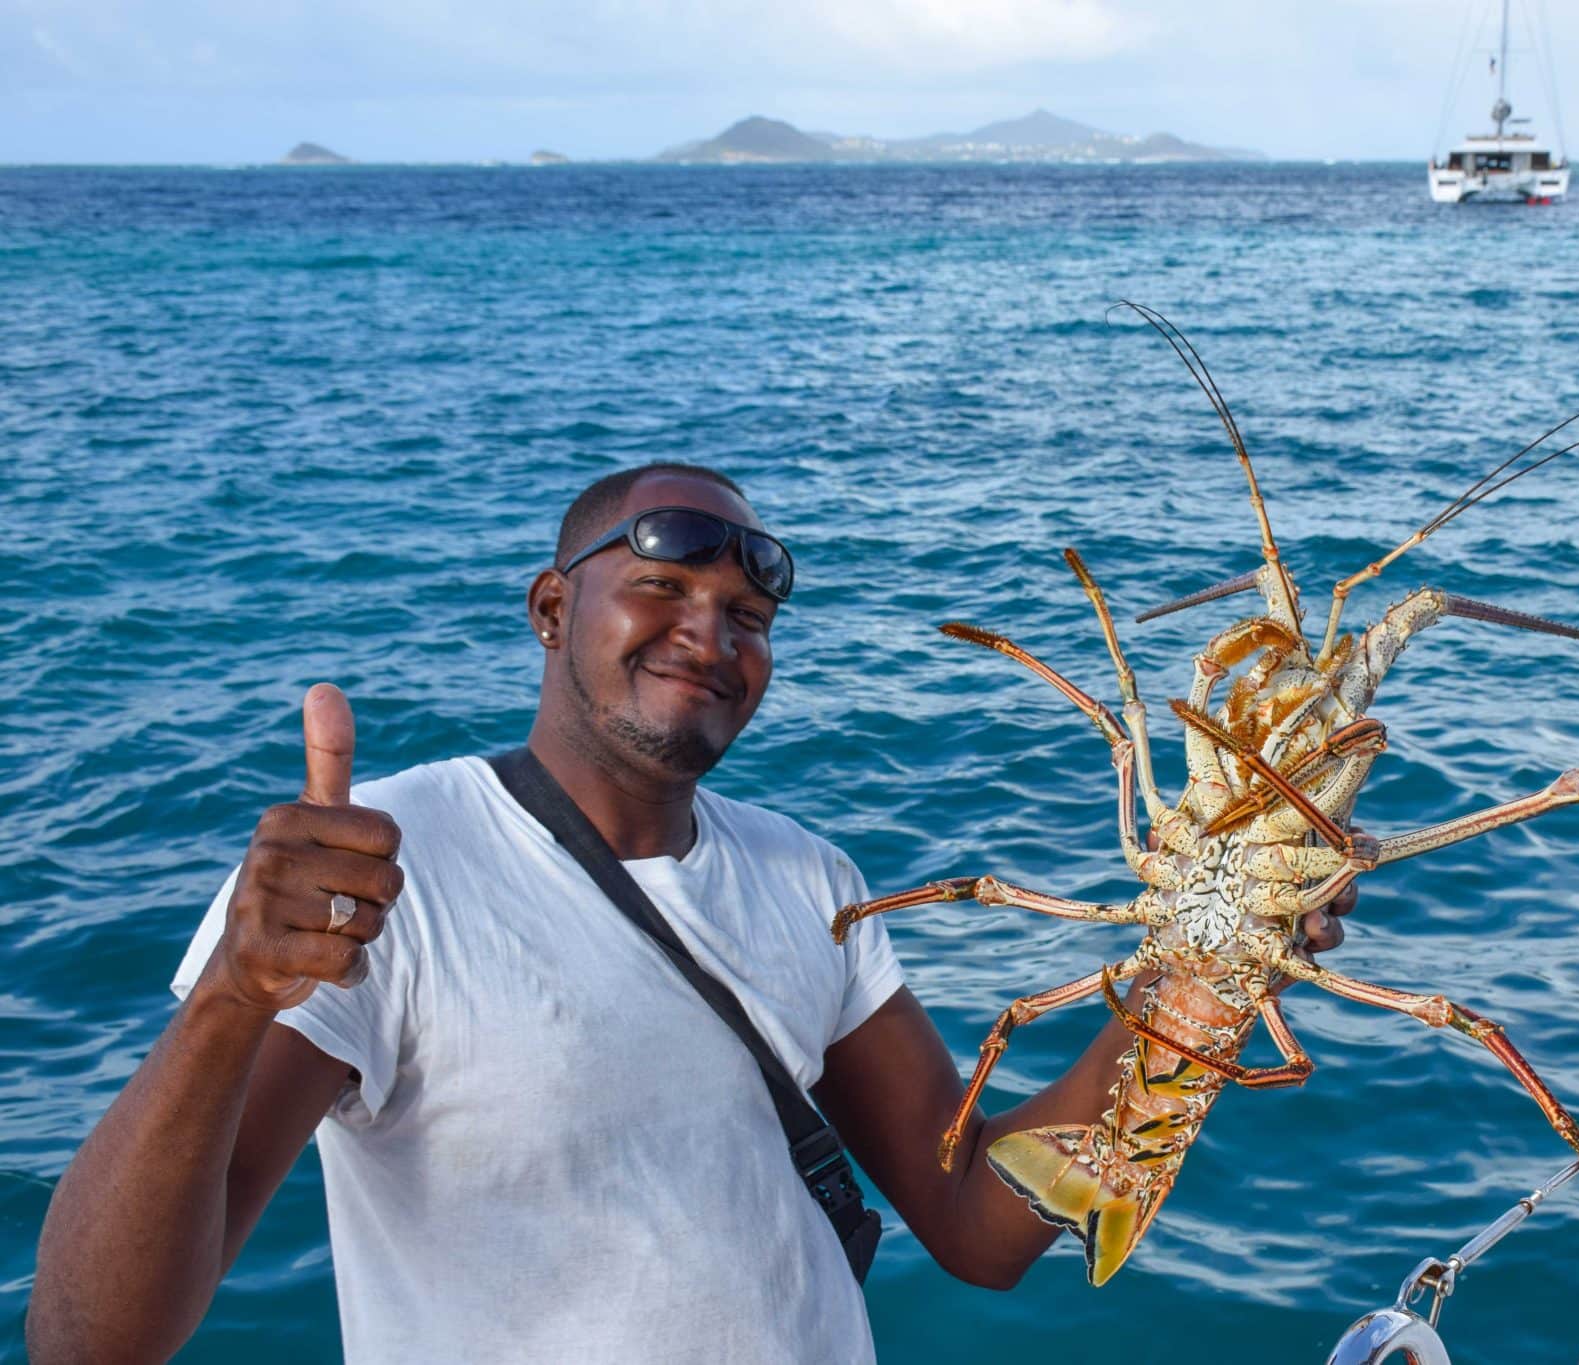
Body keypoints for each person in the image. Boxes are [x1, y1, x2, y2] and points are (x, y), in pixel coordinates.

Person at [28, 463, 1352, 1363]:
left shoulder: (808, 880)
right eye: (662, 588)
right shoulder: (383, 863)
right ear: (553, 610)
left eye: (748, 613)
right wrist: (229, 999)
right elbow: (94, 1341)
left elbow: (977, 1225)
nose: (711, 633)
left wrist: (1210, 972)